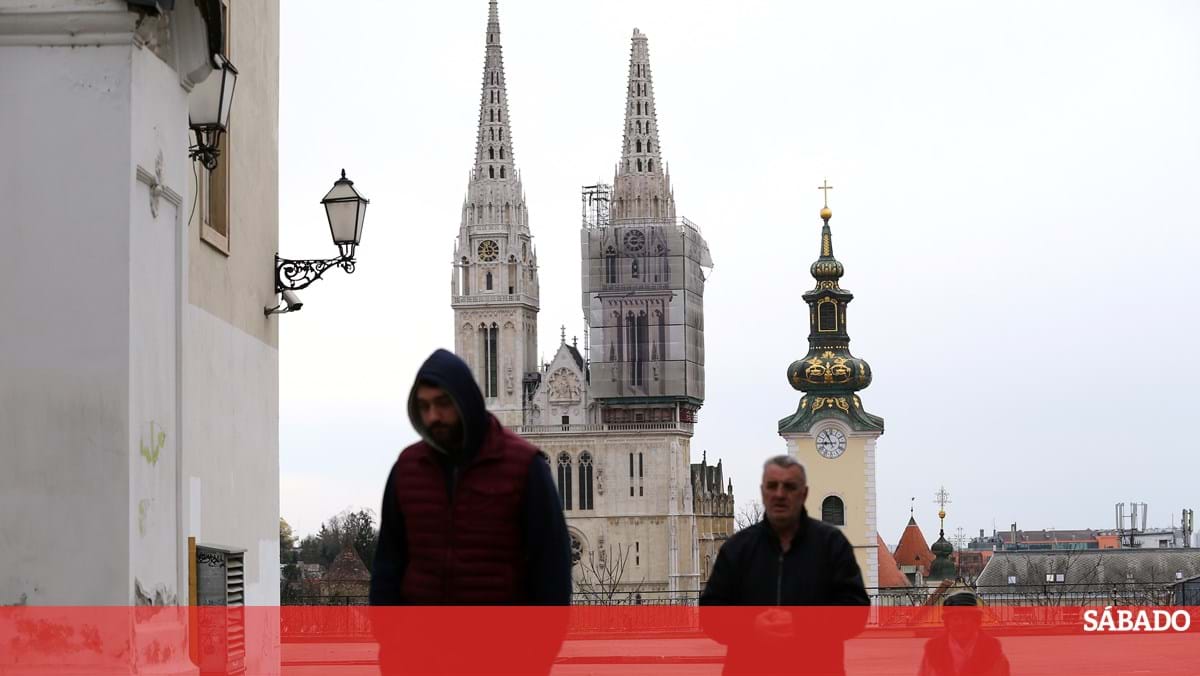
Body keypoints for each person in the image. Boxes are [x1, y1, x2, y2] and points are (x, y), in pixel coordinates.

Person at [369, 348, 571, 672]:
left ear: (466, 401)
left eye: (443, 403)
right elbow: (388, 566)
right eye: (424, 407)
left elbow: (552, 575)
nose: (433, 416)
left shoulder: (524, 467)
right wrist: (392, 646)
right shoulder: (407, 469)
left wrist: (534, 660)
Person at [700, 455, 869, 675]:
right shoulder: (737, 548)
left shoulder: (831, 545)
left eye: (789, 486)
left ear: (804, 493)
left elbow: (856, 612)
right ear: (763, 492)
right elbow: (710, 615)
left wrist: (802, 625)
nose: (780, 494)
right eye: (772, 486)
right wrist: (751, 627)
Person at [917, 592, 1010, 676]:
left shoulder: (992, 651)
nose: (960, 623)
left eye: (965, 618)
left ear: (976, 620)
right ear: (947, 622)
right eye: (955, 619)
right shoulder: (934, 651)